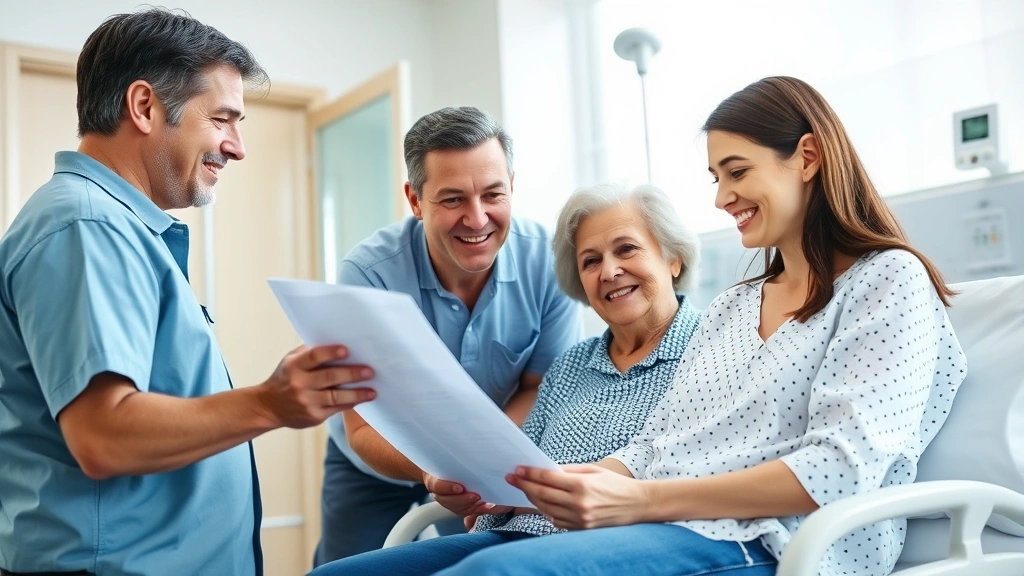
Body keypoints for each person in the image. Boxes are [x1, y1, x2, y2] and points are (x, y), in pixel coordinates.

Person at [327, 76, 969, 576]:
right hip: (663, 524)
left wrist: (640, 503)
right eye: (716, 177)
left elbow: (840, 468)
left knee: (497, 571)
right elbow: (660, 449)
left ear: (806, 157)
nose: (721, 197)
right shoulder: (738, 305)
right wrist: (535, 491)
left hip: (769, 541)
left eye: (737, 172)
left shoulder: (888, 282)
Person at [0, 9, 377, 576]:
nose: (237, 146)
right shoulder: (87, 226)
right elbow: (103, 436)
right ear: (145, 106)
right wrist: (268, 404)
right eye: (223, 118)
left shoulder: (117, 228)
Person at [309, 183, 704, 576]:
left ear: (673, 258)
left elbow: (704, 468)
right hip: (501, 534)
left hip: (604, 545)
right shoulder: (571, 366)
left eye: (627, 249)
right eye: (590, 261)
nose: (609, 272)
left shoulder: (711, 349)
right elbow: (515, 465)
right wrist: (493, 493)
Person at [314, 106, 583, 565]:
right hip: (377, 456)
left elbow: (538, 389)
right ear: (416, 201)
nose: (477, 219)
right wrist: (435, 468)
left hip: (486, 457)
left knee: (468, 564)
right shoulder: (368, 274)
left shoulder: (548, 264)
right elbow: (360, 424)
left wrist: (481, 465)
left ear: (512, 187)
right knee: (349, 567)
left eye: (493, 194)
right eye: (453, 199)